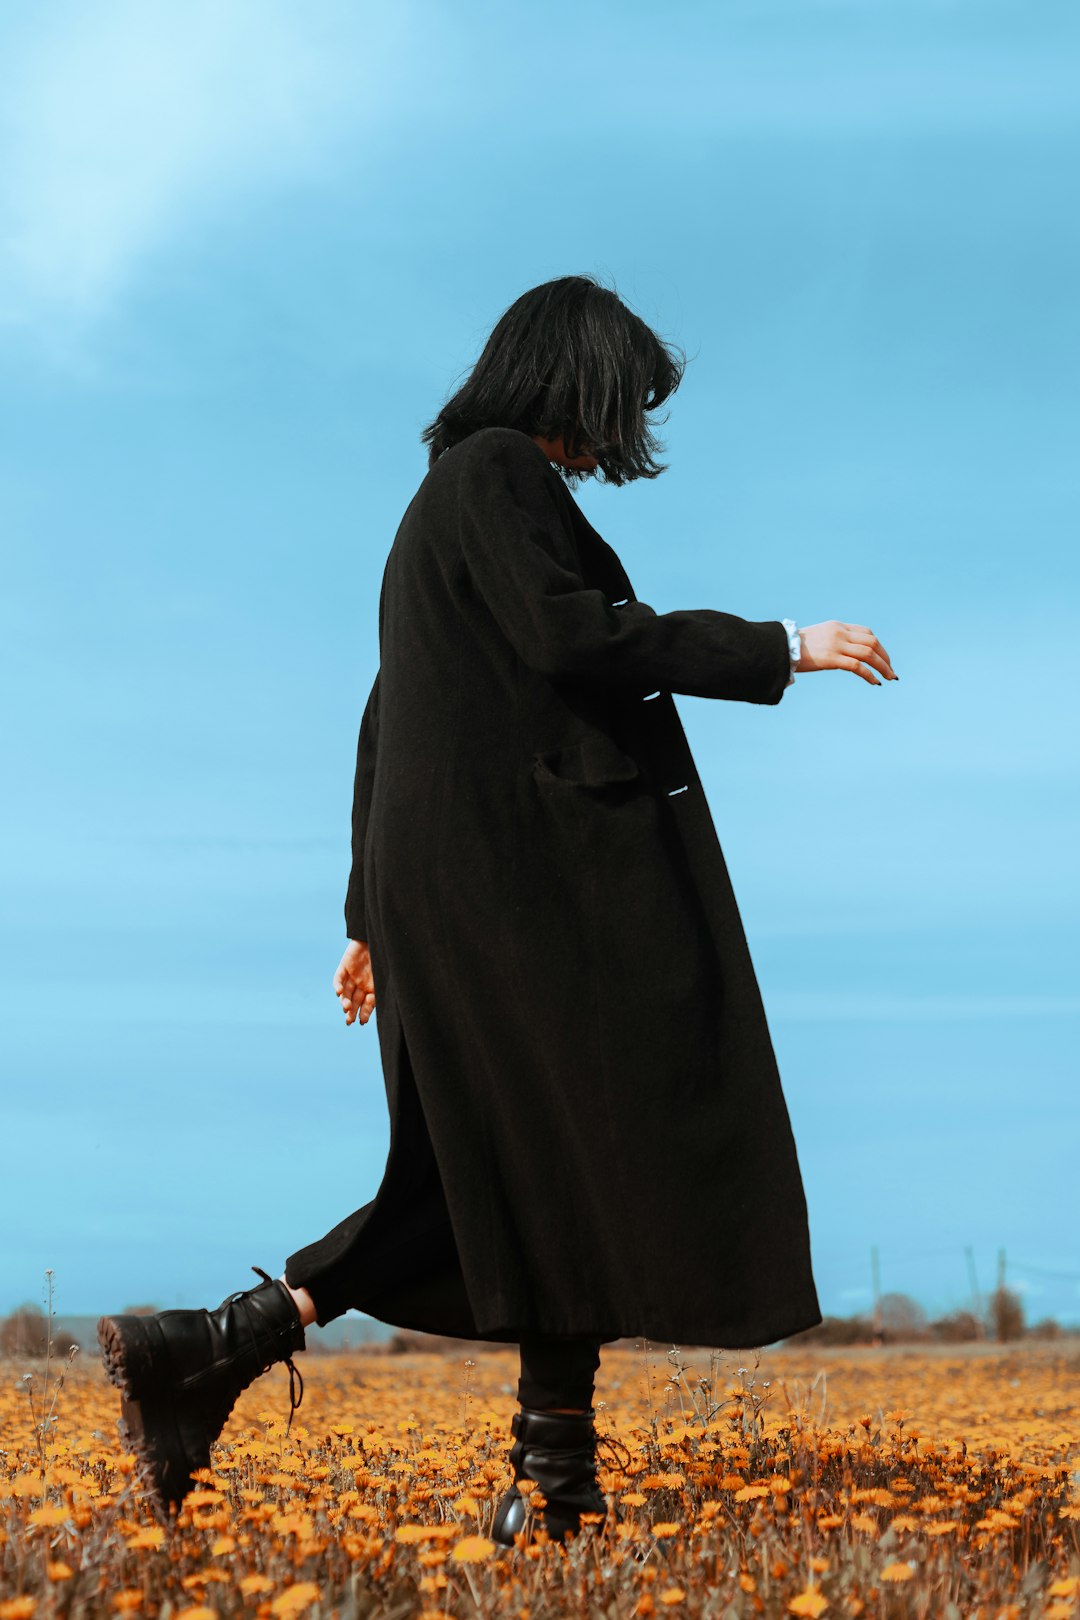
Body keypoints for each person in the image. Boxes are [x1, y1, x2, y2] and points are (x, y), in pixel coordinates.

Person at [97, 273, 897, 1543]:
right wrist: (780, 642)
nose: (615, 436)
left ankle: (476, 1454)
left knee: (534, 1164)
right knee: (572, 1145)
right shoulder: (493, 476)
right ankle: (233, 1359)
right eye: (616, 402)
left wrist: (368, 913)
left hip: (462, 884)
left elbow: (385, 724)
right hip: (529, 887)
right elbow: (574, 635)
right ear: (566, 382)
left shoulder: (438, 507)